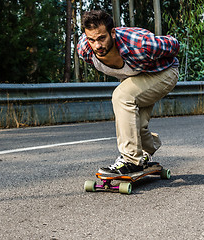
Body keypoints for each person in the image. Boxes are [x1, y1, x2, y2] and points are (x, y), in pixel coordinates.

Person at [77, 10, 179, 175]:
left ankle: (131, 161)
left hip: (164, 73)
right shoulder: (85, 49)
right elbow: (91, 45)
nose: (97, 45)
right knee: (134, 125)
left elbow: (174, 44)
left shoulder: (140, 44)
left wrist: (154, 59)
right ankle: (149, 147)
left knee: (122, 96)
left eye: (102, 38)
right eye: (92, 40)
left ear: (112, 32)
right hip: (137, 76)